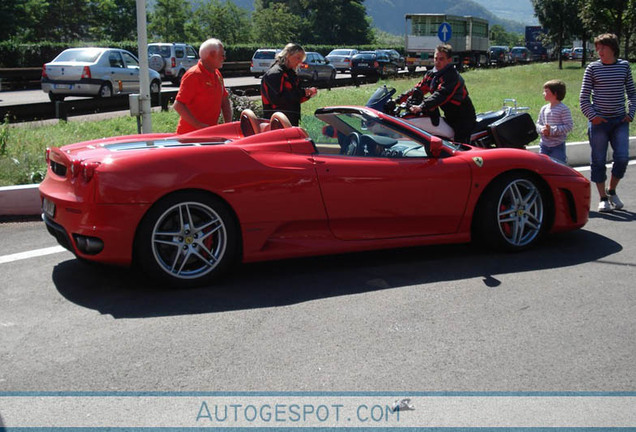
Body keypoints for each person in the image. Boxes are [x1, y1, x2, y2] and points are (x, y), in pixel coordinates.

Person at [580, 33, 636, 212]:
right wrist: (592, 116)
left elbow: (632, 94)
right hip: (598, 122)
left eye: (602, 47)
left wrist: (630, 113)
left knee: (622, 158)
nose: (599, 51)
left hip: (620, 121)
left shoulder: (624, 66)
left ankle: (611, 190)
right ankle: (602, 198)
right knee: (598, 160)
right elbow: (583, 98)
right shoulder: (592, 68)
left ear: (612, 48)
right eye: (597, 47)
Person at [406, 44, 476, 143]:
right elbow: (418, 89)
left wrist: (421, 106)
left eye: (441, 59)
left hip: (463, 118)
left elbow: (441, 94)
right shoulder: (432, 74)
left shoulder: (452, 76)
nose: (437, 62)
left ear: (449, 60)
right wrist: (398, 100)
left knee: (459, 147)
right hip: (449, 116)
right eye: (436, 58)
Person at [173, 38, 232, 134]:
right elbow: (178, 105)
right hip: (190, 136)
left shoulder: (217, 74)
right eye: (222, 55)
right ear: (212, 55)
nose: (224, 58)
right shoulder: (193, 75)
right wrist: (199, 126)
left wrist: (228, 124)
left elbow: (224, 100)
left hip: (209, 134)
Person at [261, 43, 317, 126]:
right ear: (287, 55)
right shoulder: (275, 73)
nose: (300, 62)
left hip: (290, 120)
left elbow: (294, 98)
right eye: (298, 58)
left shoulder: (290, 73)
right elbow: (277, 100)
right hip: (276, 122)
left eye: (301, 60)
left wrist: (308, 94)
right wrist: (303, 93)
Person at [536, 79, 573, 163]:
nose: (543, 93)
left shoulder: (563, 109)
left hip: (558, 146)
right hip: (544, 145)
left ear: (555, 93)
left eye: (546, 91)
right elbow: (538, 123)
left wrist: (551, 130)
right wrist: (542, 129)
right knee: (542, 166)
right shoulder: (544, 109)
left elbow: (569, 126)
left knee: (558, 167)